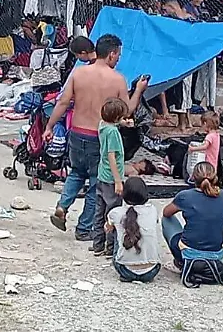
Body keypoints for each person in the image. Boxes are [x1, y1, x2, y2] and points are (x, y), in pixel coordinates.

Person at [44, 34, 148, 240]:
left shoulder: (78, 73)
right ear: (111, 54)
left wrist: (49, 126)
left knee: (76, 173)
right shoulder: (117, 79)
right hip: (98, 137)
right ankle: (84, 229)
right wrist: (138, 90)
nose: (118, 59)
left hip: (76, 132)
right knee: (95, 184)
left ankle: (62, 206)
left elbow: (63, 103)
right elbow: (127, 110)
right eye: (118, 55)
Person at [162, 162, 223, 272]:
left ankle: (179, 263)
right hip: (216, 255)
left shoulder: (185, 196)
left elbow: (166, 212)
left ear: (193, 177)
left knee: (166, 219)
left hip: (191, 254)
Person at [106, 177, 162, 283]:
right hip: (152, 270)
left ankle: (120, 256)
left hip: (125, 269)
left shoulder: (115, 212)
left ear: (124, 194)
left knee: (116, 228)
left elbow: (107, 229)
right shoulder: (152, 210)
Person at [93, 97, 128, 256]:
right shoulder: (113, 132)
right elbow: (112, 156)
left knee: (99, 212)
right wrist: (118, 181)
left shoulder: (103, 125)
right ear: (116, 118)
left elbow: (111, 124)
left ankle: (97, 244)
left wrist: (122, 123)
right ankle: (110, 246)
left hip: (101, 175)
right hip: (111, 178)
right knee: (113, 213)